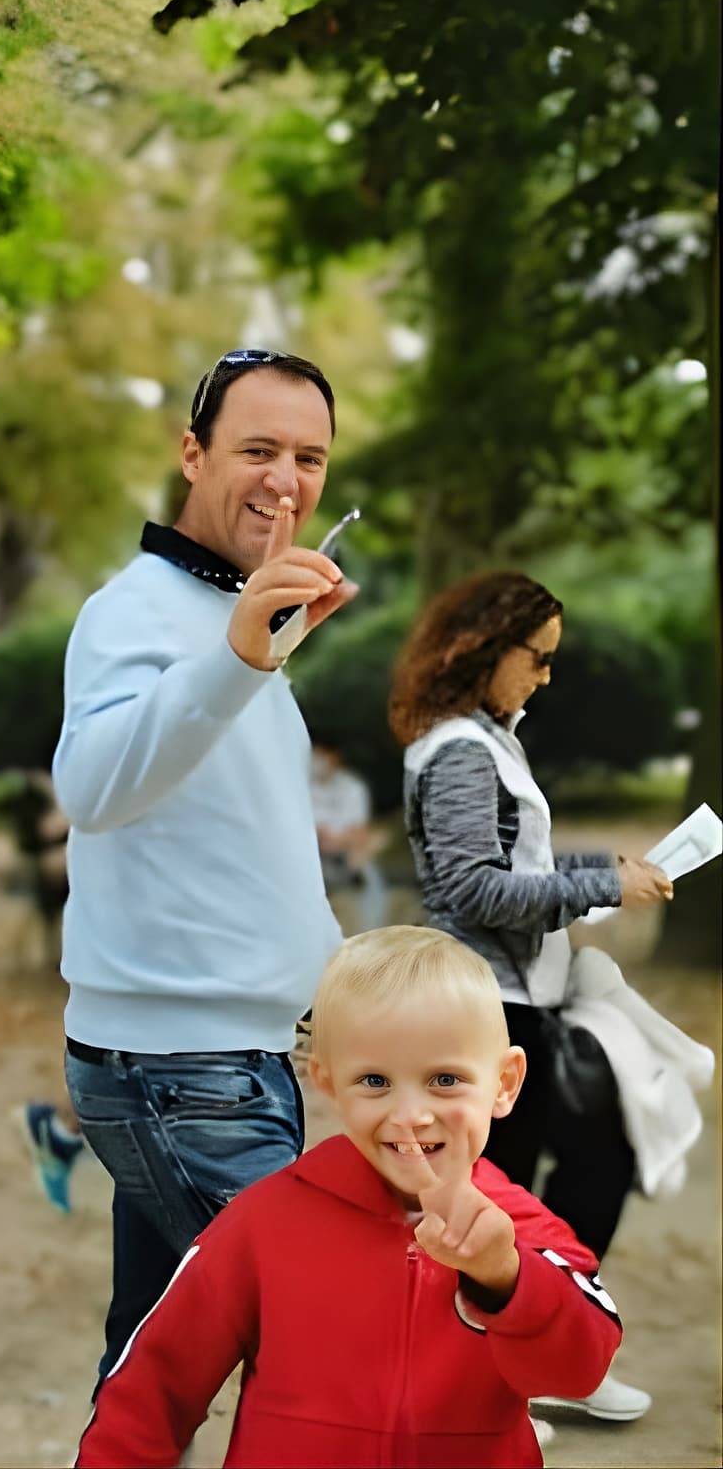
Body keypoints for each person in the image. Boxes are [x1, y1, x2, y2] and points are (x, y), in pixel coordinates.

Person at [53, 348, 357, 1383]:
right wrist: (235, 653)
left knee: (153, 1360)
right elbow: (90, 790)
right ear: (192, 453)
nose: (285, 480)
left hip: (245, 1055)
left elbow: (247, 835)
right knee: (337, 1341)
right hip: (175, 1070)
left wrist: (333, 987)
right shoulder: (133, 611)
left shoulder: (242, 616)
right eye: (258, 449)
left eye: (308, 457)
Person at [76, 926, 622, 1468]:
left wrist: (505, 1276)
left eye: (445, 1079)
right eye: (375, 1081)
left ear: (504, 1082)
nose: (410, 1114)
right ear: (328, 1081)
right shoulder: (265, 1222)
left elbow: (579, 1371)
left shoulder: (522, 1229)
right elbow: (153, 1384)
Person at [392, 569, 672, 1426]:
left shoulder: (487, 738)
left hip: (521, 1000)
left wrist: (602, 874)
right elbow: (474, 890)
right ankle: (480, 1384)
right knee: (492, 1202)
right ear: (485, 648)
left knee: (582, 1162)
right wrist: (599, 886)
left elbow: (516, 869)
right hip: (484, 1008)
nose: (546, 677)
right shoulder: (460, 750)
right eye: (538, 658)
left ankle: (538, 1356)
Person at [310, 735, 389, 931]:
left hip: (348, 853)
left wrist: (333, 840)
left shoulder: (353, 787)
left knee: (374, 849)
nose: (317, 761)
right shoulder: (300, 787)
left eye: (321, 755)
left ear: (334, 756)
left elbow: (359, 831)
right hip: (313, 854)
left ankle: (373, 929)